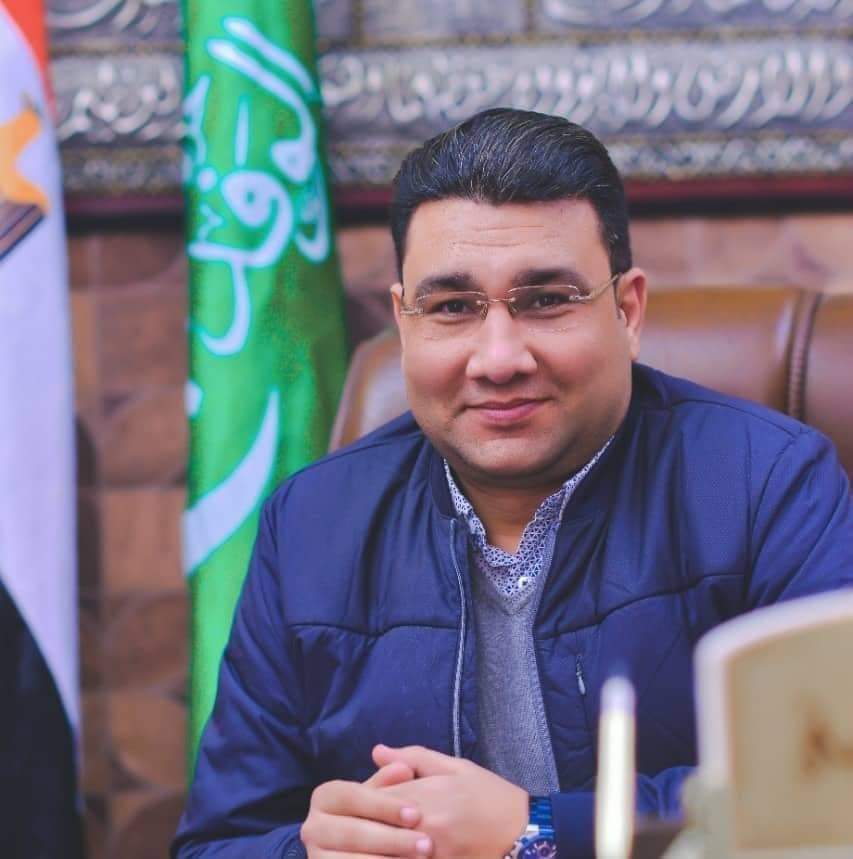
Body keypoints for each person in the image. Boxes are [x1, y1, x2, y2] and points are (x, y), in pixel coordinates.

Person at [172, 108, 853, 859]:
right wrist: (314, 851)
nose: (498, 358)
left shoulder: (769, 484)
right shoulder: (311, 523)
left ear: (627, 311)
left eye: (546, 300)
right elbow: (219, 843)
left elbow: (825, 797)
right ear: (404, 321)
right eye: (452, 308)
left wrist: (536, 829)